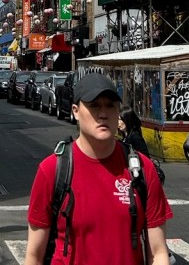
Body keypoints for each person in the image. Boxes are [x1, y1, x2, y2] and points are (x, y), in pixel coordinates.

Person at [25, 73, 172, 265]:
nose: (103, 114)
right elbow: (34, 255)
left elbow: (158, 253)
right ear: (76, 111)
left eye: (110, 105)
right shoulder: (52, 170)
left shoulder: (143, 169)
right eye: (94, 105)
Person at [119, 107, 166, 184]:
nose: (118, 122)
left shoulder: (135, 137)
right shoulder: (126, 137)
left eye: (120, 119)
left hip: (138, 177)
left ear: (127, 120)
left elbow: (145, 157)